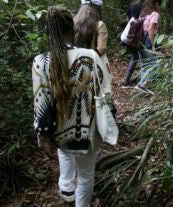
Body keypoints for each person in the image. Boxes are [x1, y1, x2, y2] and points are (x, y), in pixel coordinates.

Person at [32, 6, 111, 207]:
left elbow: (41, 103)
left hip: (60, 131)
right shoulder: (91, 56)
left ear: (49, 32)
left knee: (65, 153)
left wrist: (42, 135)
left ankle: (66, 190)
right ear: (72, 29)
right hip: (90, 130)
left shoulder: (40, 61)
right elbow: (105, 93)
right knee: (86, 176)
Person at [135, 0, 162, 95]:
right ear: (155, 4)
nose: (159, 6)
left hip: (139, 39)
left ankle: (143, 84)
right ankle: (144, 84)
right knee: (152, 64)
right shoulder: (155, 14)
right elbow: (151, 29)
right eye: (159, 4)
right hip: (147, 39)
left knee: (144, 63)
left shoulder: (143, 14)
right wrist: (153, 44)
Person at [121, 0, 144, 88]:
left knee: (134, 57)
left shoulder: (131, 4)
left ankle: (127, 80)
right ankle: (126, 81)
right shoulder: (140, 5)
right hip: (134, 38)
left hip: (129, 36)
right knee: (135, 58)